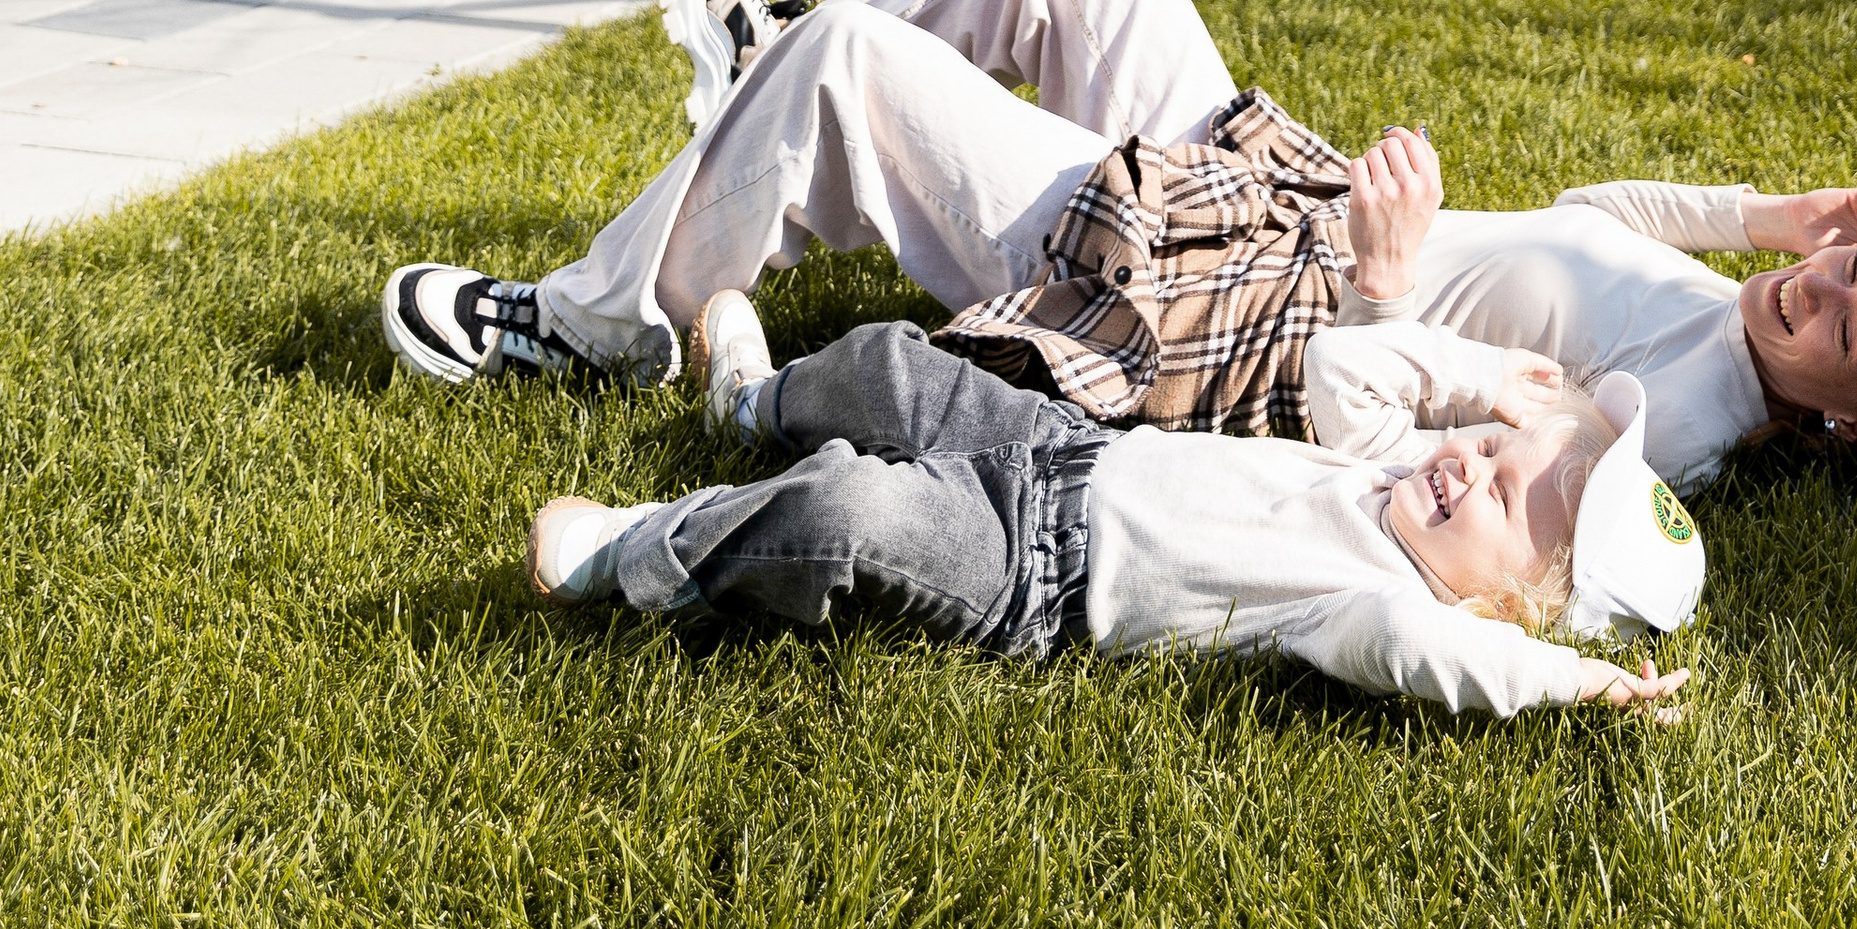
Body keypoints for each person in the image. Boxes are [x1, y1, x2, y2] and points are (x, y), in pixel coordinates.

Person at [384, 0, 1857, 484]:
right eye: (1856, 271)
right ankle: (767, 77)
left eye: (1848, 329)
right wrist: (1759, 215)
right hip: (1276, 192)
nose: (1819, 294)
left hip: (1225, 295)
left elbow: (1416, 461)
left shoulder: (1683, 423)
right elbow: (1596, 222)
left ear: (1852, 430)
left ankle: (601, 322)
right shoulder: (1735, 314)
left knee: (849, 75)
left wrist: (1386, 283)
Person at [520, 286, 1702, 725]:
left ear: (1505, 608)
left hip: (1035, 572)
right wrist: (1477, 383)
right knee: (886, 365)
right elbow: (1342, 369)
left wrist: (1582, 681)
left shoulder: (1375, 603)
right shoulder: (1388, 475)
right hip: (1066, 447)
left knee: (849, 516)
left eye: (1499, 494)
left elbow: (1435, 659)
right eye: (1488, 448)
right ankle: (752, 402)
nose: (1468, 467)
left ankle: (645, 552)